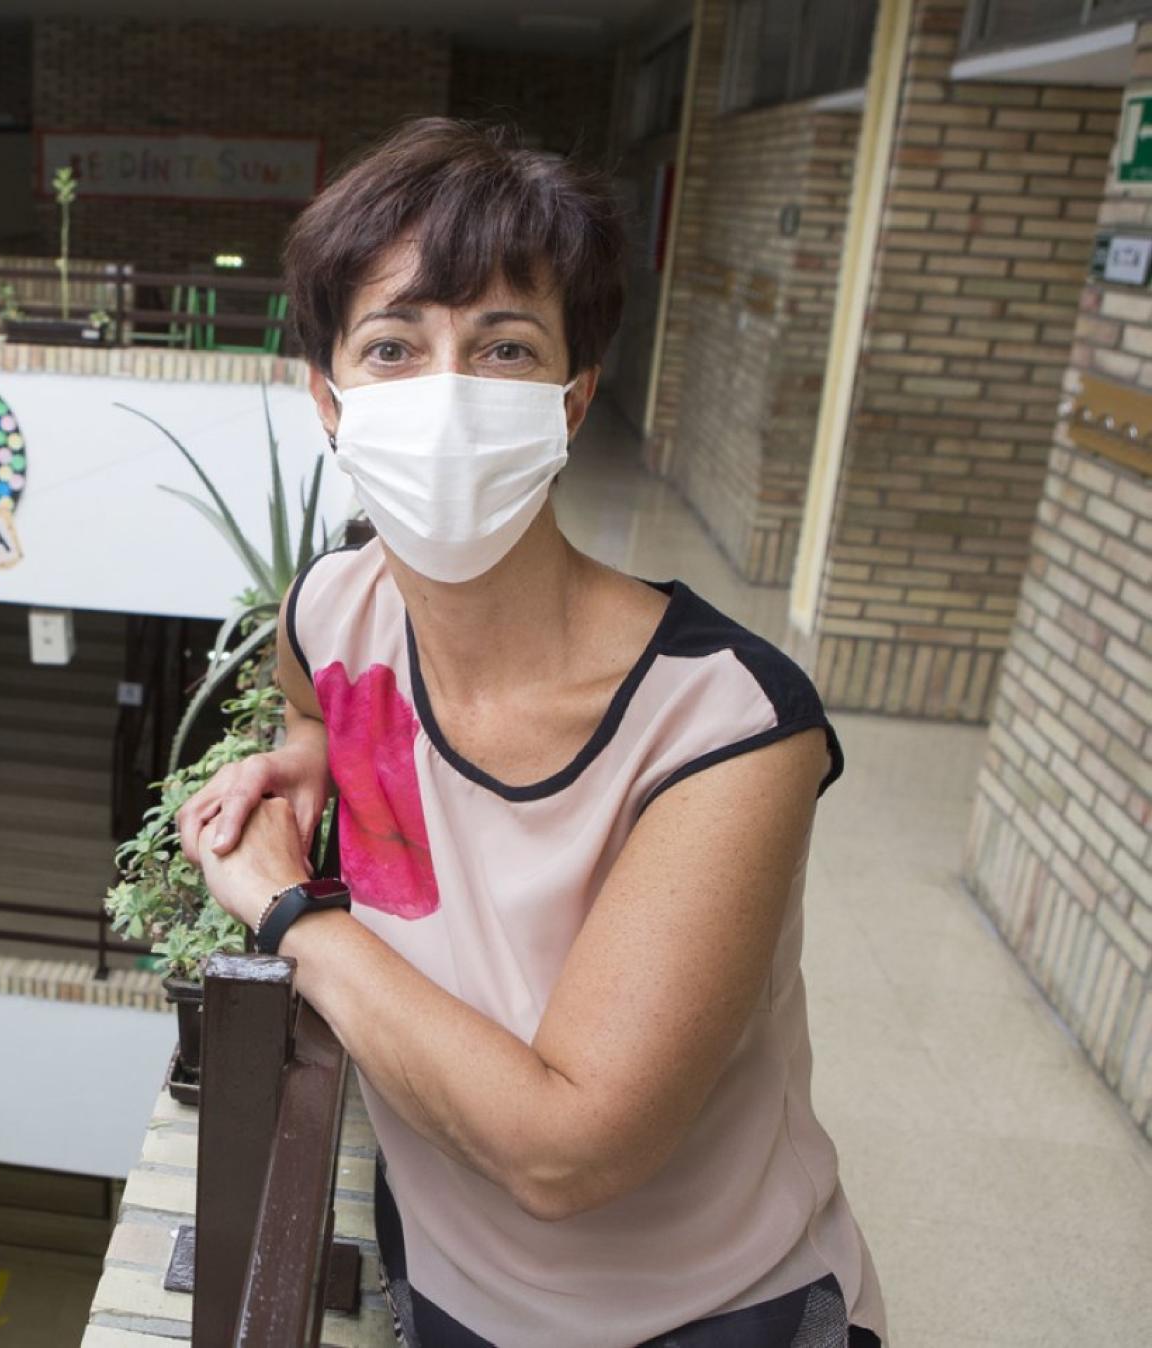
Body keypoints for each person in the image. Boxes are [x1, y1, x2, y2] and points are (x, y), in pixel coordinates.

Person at [177, 119, 885, 1348]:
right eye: (393, 346)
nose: (446, 394)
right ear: (330, 399)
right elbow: (309, 696)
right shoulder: (333, 612)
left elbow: (569, 1153)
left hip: (715, 1315)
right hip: (447, 1287)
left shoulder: (724, 723)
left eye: (503, 347)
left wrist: (292, 913)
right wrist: (303, 757)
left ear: (573, 398)